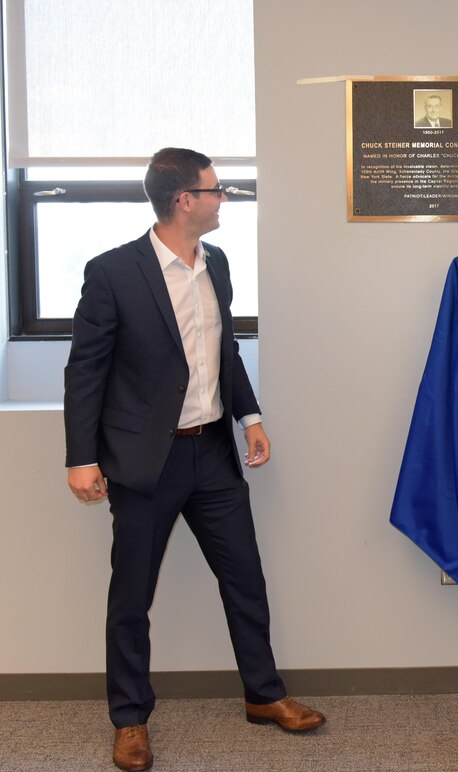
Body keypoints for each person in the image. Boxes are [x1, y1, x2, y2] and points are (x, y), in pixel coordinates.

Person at [64, 148, 325, 771]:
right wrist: (80, 457)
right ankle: (129, 719)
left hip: (212, 452)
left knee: (245, 579)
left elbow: (223, 350)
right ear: (185, 200)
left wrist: (250, 416)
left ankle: (264, 695)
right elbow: (86, 372)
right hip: (142, 461)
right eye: (215, 190)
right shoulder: (112, 273)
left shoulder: (219, 265)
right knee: (131, 597)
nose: (222, 199)